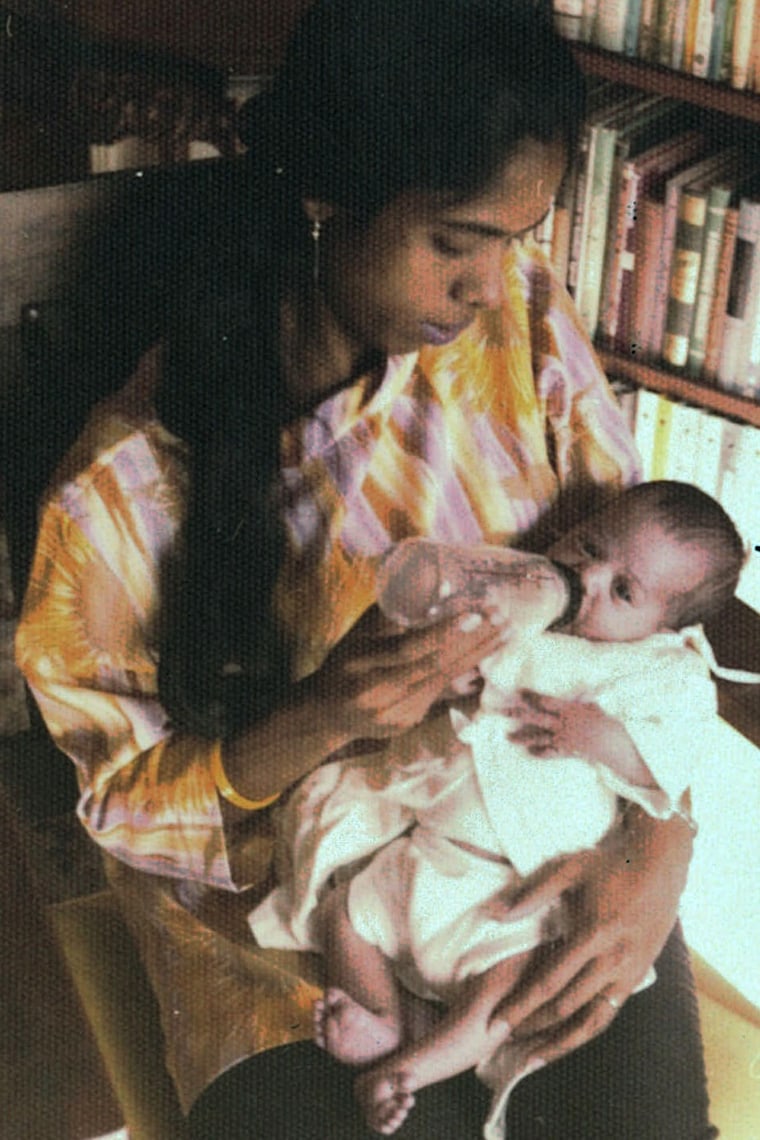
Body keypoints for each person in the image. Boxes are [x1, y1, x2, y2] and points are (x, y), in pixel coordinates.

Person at [14, 2, 718, 1137]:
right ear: (323, 205)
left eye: (511, 239)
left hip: (537, 863)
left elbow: (654, 611)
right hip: (289, 952)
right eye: (456, 240)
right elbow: (119, 809)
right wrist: (324, 715)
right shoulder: (122, 493)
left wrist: (656, 858)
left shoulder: (522, 322)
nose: (489, 285)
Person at [249, 480, 748, 1138]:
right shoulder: (527, 608)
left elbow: (669, 764)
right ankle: (380, 1018)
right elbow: (451, 675)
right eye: (588, 547)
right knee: (347, 912)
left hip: (518, 892)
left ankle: (411, 1069)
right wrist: (447, 678)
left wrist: (599, 737)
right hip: (428, 852)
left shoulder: (659, 674)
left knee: (508, 990)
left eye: (623, 590)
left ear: (669, 627)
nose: (588, 576)